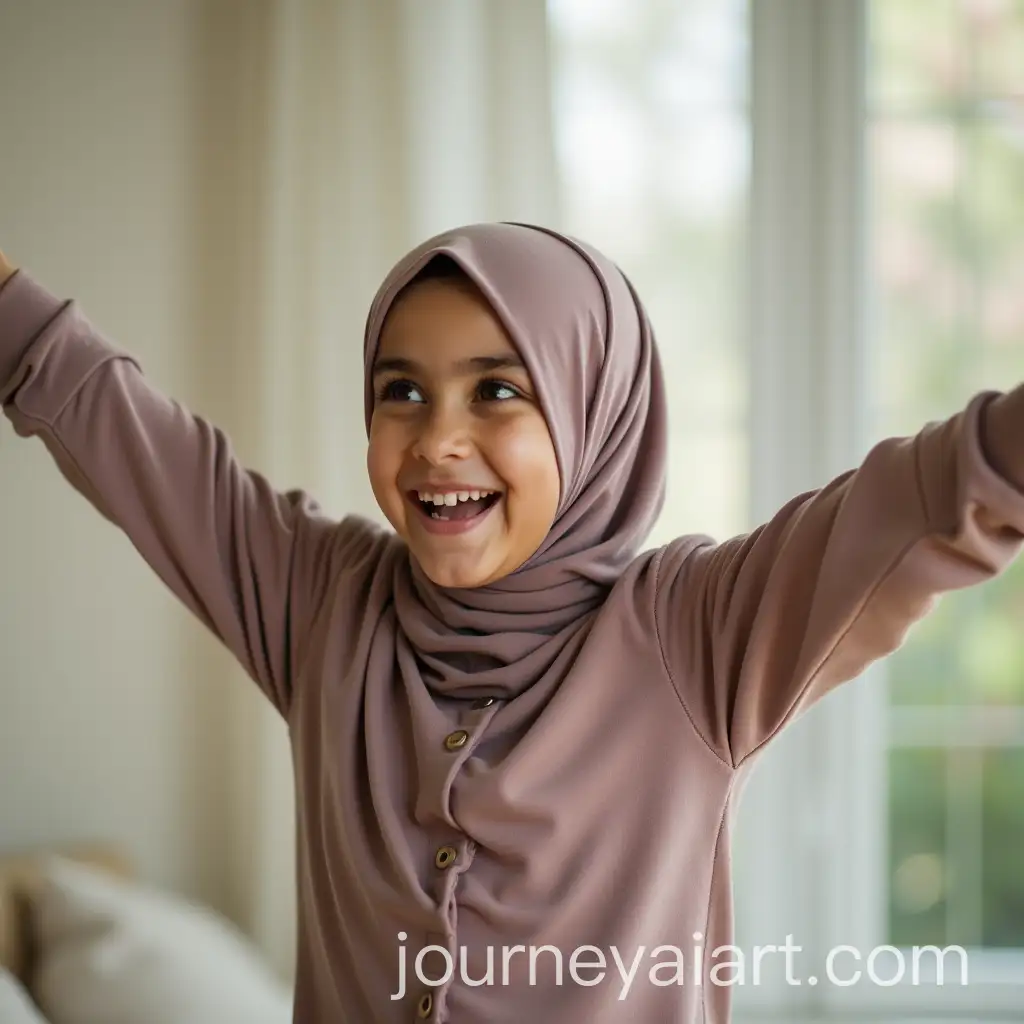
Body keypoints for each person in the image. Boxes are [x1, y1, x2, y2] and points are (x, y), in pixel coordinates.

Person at [1, 223, 1022, 1023]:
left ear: (593, 414)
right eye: (400, 391)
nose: (437, 439)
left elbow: (924, 500)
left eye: (497, 390)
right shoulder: (322, 607)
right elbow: (104, 412)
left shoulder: (697, 637)